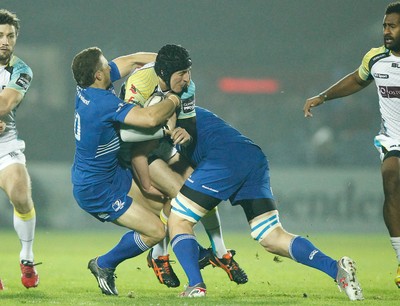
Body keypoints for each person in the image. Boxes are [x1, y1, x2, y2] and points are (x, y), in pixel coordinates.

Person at [167, 106, 364, 300]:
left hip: (224, 158)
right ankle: (336, 270)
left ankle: (196, 285)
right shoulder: (186, 111)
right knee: (271, 236)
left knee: (178, 221)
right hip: (252, 156)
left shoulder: (165, 117)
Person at [119, 44, 248, 287]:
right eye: (181, 73)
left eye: (188, 71)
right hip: (138, 149)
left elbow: (188, 125)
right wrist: (165, 125)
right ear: (164, 72)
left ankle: (220, 252)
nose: (187, 78)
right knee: (181, 194)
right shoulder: (141, 81)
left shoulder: (187, 86)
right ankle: (159, 256)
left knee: (203, 191)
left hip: (164, 145)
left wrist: (184, 134)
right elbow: (130, 127)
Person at [303, 1, 400, 289]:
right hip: (393, 137)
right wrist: (323, 96)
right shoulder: (376, 58)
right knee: (391, 177)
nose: (386, 31)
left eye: (392, 26)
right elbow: (358, 80)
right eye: (384, 25)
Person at [71, 46, 182, 296]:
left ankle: (166, 256)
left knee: (168, 203)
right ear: (98, 75)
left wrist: (166, 64)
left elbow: (131, 60)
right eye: (104, 66)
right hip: (95, 189)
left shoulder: (89, 88)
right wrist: (174, 97)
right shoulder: (101, 103)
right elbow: (150, 119)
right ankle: (104, 264)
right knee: (155, 231)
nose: (109, 66)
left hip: (110, 175)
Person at [0, 9, 40, 289]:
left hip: (6, 146)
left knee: (21, 194)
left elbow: (5, 105)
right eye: (0, 35)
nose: (5, 41)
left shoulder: (21, 70)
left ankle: (27, 257)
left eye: (10, 36)